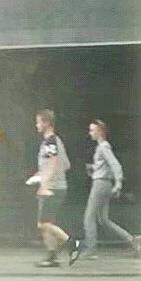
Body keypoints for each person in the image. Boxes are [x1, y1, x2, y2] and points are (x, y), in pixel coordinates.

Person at [79, 120, 141, 260]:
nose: (90, 133)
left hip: (100, 184)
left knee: (89, 217)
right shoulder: (102, 147)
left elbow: (116, 165)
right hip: (104, 182)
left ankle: (91, 249)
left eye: (92, 130)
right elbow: (107, 167)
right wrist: (94, 169)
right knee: (103, 219)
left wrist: (118, 183)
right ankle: (132, 240)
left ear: (99, 132)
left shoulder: (103, 147)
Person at [33, 109, 80, 268]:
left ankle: (72, 243)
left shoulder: (51, 141)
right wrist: (40, 175)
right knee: (45, 223)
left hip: (53, 188)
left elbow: (52, 163)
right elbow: (65, 164)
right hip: (55, 185)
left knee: (45, 223)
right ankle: (52, 255)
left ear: (47, 123)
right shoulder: (54, 141)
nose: (37, 125)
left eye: (39, 121)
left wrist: (45, 185)